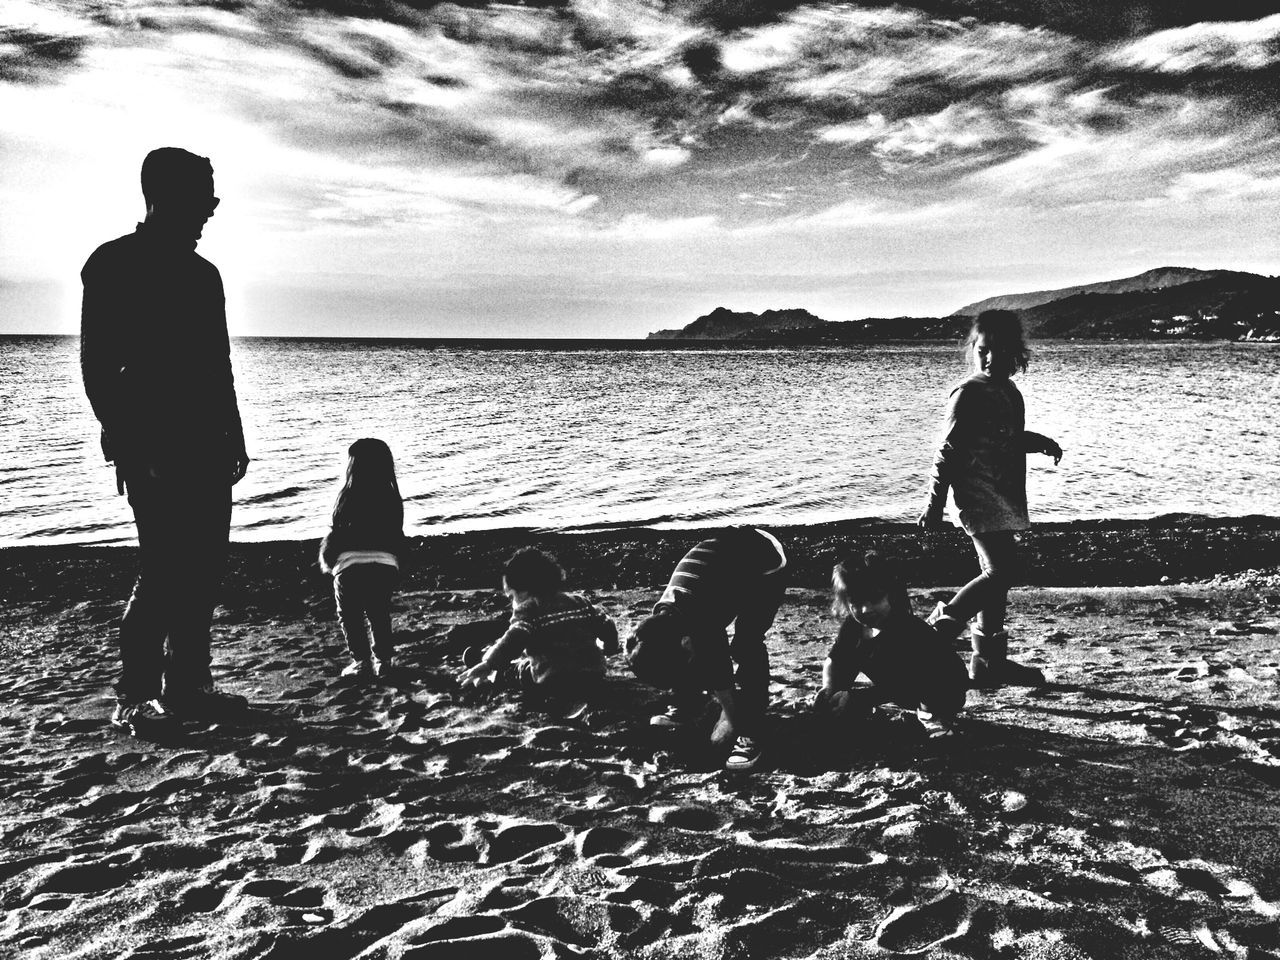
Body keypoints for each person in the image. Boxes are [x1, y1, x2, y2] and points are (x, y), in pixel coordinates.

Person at [81, 147, 250, 734]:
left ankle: (190, 685)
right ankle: (135, 695)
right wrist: (130, 447)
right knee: (163, 568)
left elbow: (218, 364)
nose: (211, 207)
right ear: (166, 196)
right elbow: (97, 368)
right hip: (153, 446)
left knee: (204, 568)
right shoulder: (112, 263)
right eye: (204, 195)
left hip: (207, 442)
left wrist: (235, 434)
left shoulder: (205, 276)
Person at [918, 309, 1062, 688]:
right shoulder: (967, 394)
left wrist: (1039, 442)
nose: (991, 358)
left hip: (1004, 496)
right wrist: (933, 506)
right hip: (976, 497)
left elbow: (1007, 438)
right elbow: (945, 454)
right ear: (973, 349)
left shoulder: (1009, 392)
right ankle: (934, 633)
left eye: (1001, 350)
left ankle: (987, 663)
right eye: (984, 350)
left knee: (997, 580)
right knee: (1001, 572)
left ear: (1017, 353)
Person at [625, 528, 787, 772]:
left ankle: (752, 735)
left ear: (687, 641)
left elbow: (723, 683)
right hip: (717, 564)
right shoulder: (660, 621)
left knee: (747, 644)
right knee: (674, 659)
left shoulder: (705, 629)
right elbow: (665, 656)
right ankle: (686, 704)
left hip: (764, 561)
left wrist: (733, 726)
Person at [814, 552, 967, 737]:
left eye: (875, 599)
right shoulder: (854, 626)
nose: (866, 609)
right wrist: (831, 688)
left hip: (940, 684)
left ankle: (934, 718)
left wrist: (857, 699)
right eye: (857, 601)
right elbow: (835, 660)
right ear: (846, 602)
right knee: (847, 663)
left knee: (933, 694)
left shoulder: (905, 629)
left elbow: (904, 683)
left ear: (892, 596)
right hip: (896, 684)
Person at [457, 548, 618, 702]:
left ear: (525, 591)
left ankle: (490, 668)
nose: (512, 603)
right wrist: (610, 647)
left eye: (511, 596)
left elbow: (513, 641)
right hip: (594, 674)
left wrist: (488, 664)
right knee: (539, 653)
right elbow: (606, 624)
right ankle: (488, 658)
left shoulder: (528, 610)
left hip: (553, 679)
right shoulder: (580, 601)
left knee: (520, 669)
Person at [319, 438, 406, 680]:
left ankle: (361, 660)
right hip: (385, 564)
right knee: (379, 612)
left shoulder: (346, 496)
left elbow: (336, 533)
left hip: (350, 566)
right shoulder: (391, 497)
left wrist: (329, 560)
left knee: (349, 614)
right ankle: (384, 660)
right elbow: (395, 534)